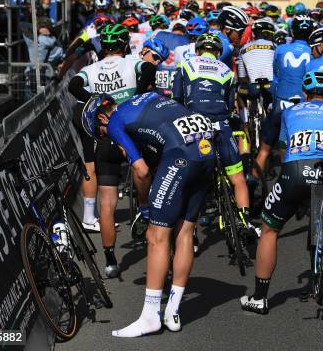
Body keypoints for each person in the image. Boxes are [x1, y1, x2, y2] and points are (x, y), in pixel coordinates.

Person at [81, 92, 215, 337]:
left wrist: (144, 205)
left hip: (181, 155)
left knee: (156, 235)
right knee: (185, 231)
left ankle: (150, 317)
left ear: (102, 117)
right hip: (206, 149)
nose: (107, 139)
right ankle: (172, 312)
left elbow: (141, 171)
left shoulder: (114, 121)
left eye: (101, 134)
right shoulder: (145, 98)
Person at [240, 69, 323, 314]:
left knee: (269, 230)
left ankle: (260, 298)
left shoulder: (290, 111)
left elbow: (282, 151)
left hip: (295, 172)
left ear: (304, 92)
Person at [68, 23, 157, 277]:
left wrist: (97, 100)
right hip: (131, 132)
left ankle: (110, 260)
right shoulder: (131, 62)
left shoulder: (91, 69)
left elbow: (73, 86)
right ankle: (143, 207)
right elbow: (150, 68)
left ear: (103, 47)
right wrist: (137, 92)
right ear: (124, 44)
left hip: (106, 138)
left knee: (106, 204)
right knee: (144, 173)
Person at [172, 33, 252, 227]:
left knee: (188, 179)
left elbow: (176, 98)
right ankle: (245, 221)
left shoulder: (185, 65)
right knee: (238, 178)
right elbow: (229, 104)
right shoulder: (227, 71)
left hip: (194, 123)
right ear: (218, 52)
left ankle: (187, 228)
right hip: (221, 124)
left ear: (198, 50)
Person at [254, 15, 315, 178]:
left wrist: (275, 98)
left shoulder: (280, 49)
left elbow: (273, 76)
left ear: (292, 31)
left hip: (281, 105)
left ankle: (252, 184)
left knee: (265, 149)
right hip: (304, 107)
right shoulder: (313, 52)